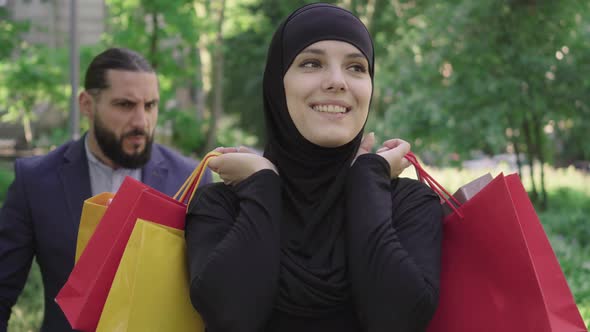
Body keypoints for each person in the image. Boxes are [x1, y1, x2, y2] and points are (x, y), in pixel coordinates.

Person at [185, 3, 443, 332]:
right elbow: (232, 315)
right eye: (311, 63)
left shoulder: (408, 203)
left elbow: (397, 318)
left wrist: (367, 179)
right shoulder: (221, 206)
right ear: (277, 85)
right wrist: (263, 183)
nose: (337, 81)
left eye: (356, 68)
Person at [0, 47, 211, 332]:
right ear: (87, 104)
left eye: (150, 106)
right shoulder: (35, 181)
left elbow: (211, 297)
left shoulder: (191, 180)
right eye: (125, 105)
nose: (141, 122)